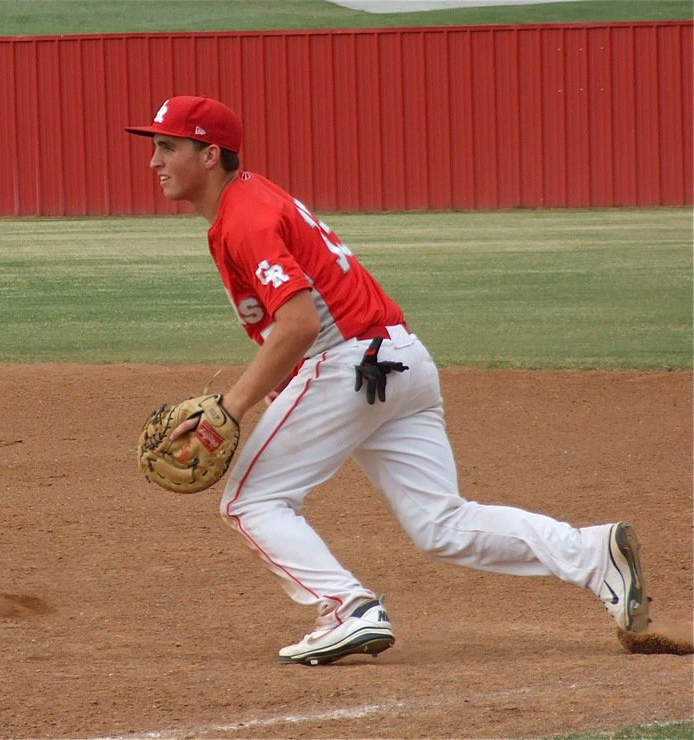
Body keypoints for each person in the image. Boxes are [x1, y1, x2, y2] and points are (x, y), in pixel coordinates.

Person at [124, 95, 649, 665]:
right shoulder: (252, 199)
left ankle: (347, 608)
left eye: (168, 147)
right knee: (441, 524)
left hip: (348, 363)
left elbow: (299, 323)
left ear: (209, 155)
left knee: (252, 501)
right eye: (155, 146)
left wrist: (233, 405)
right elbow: (301, 318)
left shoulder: (245, 216)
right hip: (399, 361)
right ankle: (593, 554)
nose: (155, 161)